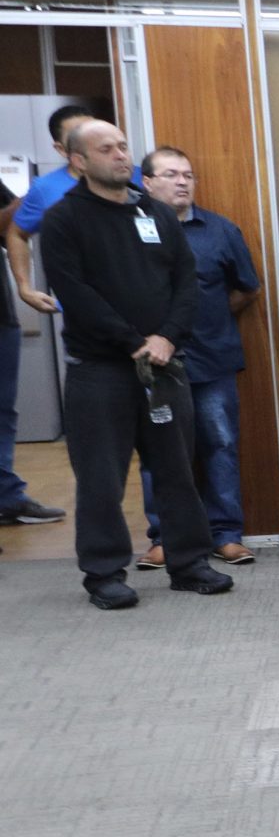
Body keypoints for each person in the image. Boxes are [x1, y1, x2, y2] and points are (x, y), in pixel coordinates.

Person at [37, 120, 233, 609]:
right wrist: (133, 342)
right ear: (79, 162)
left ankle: (188, 563)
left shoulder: (157, 215)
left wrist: (167, 337)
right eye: (107, 149)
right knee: (101, 477)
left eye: (124, 146)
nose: (121, 156)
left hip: (165, 365)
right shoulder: (65, 220)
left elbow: (186, 281)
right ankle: (104, 573)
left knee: (176, 470)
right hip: (99, 370)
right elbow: (75, 293)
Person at [133, 147, 258, 569]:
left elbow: (246, 289)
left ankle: (226, 535)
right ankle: (165, 538)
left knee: (220, 445)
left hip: (212, 359)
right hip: (154, 365)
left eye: (189, 174)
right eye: (171, 174)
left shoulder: (220, 231)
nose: (183, 181)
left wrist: (210, 319)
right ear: (147, 183)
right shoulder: (129, 230)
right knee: (159, 452)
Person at [0, 103, 93, 531]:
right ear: (61, 148)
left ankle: (7, 497)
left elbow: (9, 223)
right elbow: (17, 228)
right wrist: (25, 283)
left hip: (144, 324)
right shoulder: (48, 188)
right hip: (82, 333)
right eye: (76, 140)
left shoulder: (127, 178)